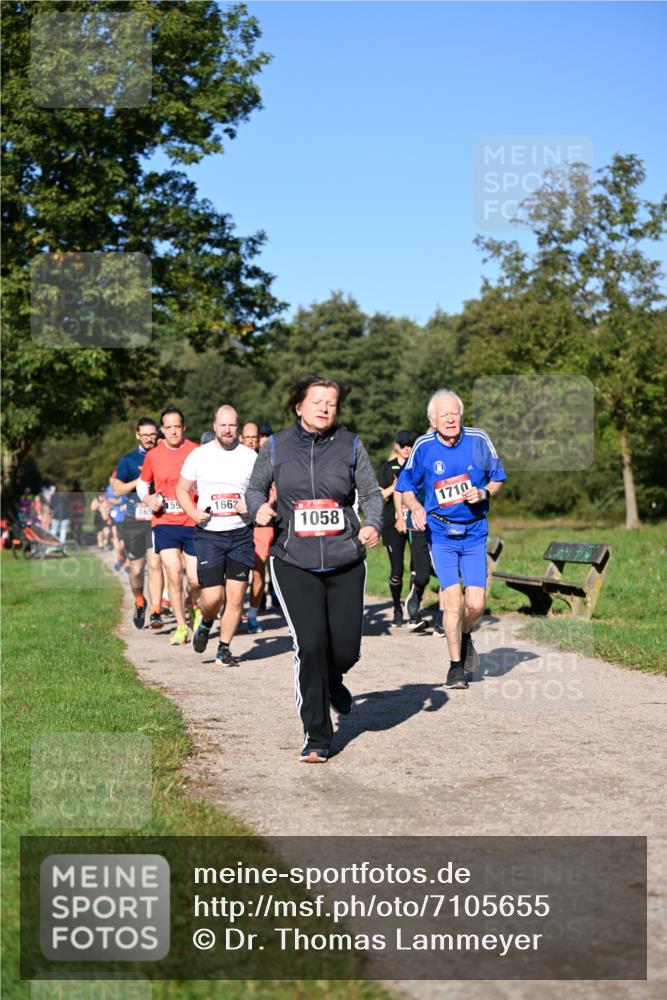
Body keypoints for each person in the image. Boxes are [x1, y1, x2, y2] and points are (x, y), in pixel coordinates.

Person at [246, 374, 383, 764]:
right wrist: (258, 508)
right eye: (318, 400)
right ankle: (317, 736)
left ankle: (334, 680)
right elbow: (254, 489)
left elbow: (372, 494)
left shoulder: (350, 444)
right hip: (293, 559)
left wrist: (372, 522)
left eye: (332, 403)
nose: (325, 408)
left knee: (344, 649)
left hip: (345, 558)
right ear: (298, 406)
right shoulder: (276, 447)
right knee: (310, 645)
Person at [396, 389, 506, 689]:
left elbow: (497, 478)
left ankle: (465, 633)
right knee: (453, 599)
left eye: (454, 413)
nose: (449, 419)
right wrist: (415, 506)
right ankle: (455, 666)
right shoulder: (423, 446)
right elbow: (406, 487)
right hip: (441, 532)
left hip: (473, 531)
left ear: (461, 415)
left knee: (477, 603)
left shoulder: (479, 440)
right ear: (433, 420)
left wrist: (484, 492)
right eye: (443, 415)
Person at [175, 404, 257, 666]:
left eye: (232, 424)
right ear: (214, 426)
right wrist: (193, 513)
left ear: (238, 427)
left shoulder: (250, 456)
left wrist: (252, 504)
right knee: (213, 596)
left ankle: (224, 647)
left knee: (235, 597)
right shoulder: (199, 455)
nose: (227, 429)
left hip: (241, 533)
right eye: (222, 424)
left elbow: (268, 489)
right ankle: (206, 621)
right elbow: (181, 489)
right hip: (210, 534)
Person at [137, 407, 200, 646]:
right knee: (173, 574)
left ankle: (192, 606)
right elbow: (143, 485)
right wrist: (148, 499)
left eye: (177, 426)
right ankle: (182, 626)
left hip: (192, 520)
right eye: (168, 427)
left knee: (195, 580)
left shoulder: (197, 451)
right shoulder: (153, 455)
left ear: (183, 428)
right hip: (164, 522)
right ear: (162, 429)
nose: (173, 431)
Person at [111, 417, 163, 629]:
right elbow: (117, 489)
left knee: (156, 564)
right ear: (137, 435)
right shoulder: (128, 460)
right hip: (134, 521)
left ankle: (156, 610)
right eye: (145, 435)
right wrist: (141, 480)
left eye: (153, 434)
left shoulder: (163, 456)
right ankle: (140, 601)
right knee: (136, 570)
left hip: (157, 518)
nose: (149, 438)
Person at [376, 430, 415, 626]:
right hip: (392, 524)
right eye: (403, 444)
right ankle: (397, 607)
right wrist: (396, 487)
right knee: (397, 569)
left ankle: (413, 608)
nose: (406, 448)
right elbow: (379, 496)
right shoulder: (387, 468)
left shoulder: (418, 465)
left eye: (410, 444)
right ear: (396, 446)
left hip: (416, 522)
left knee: (417, 569)